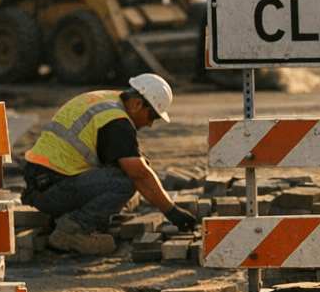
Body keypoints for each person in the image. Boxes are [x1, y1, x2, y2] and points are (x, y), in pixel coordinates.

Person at [21, 73, 199, 255]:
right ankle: (71, 231)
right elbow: (140, 175)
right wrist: (172, 211)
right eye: (152, 116)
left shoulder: (105, 101)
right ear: (138, 104)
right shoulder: (116, 122)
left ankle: (59, 218)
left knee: (123, 168)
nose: (150, 124)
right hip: (50, 189)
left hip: (43, 184)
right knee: (125, 182)